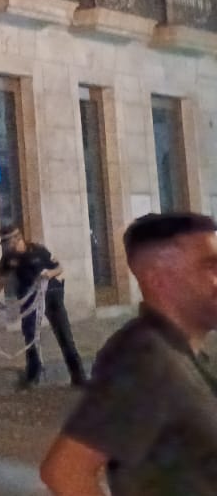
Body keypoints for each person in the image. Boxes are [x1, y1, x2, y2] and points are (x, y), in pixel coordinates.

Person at [39, 212, 217, 495]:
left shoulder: (182, 352)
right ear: (161, 280)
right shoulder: (147, 359)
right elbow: (66, 471)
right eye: (210, 267)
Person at [0, 225, 85, 387]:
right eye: (3, 242)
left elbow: (59, 268)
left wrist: (49, 274)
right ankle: (33, 375)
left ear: (17, 238)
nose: (5, 246)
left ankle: (78, 376)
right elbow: (2, 281)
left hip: (52, 296)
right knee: (30, 337)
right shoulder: (7, 259)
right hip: (28, 300)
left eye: (7, 241)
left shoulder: (38, 250)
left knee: (64, 335)